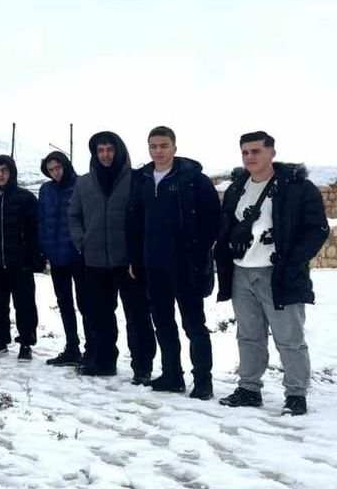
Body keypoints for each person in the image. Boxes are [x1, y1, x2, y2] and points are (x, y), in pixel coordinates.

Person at [215, 132, 328, 416]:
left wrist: (292, 261)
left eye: (255, 151)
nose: (250, 157)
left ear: (271, 153)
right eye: (245, 152)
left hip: (278, 273)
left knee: (289, 337)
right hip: (242, 272)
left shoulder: (297, 188)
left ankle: (296, 394)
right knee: (249, 335)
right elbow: (226, 223)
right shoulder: (238, 187)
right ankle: (249, 389)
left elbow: (317, 229)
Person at [132, 127, 220, 399]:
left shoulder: (194, 179)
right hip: (154, 265)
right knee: (163, 323)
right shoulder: (143, 179)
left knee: (194, 325)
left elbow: (213, 221)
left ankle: (203, 381)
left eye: (163, 145)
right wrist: (137, 259)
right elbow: (135, 223)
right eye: (153, 146)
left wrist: (197, 254)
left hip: (186, 266)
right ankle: (172, 374)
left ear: (174, 147)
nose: (158, 151)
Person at [69, 131, 156, 383]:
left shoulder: (136, 180)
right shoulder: (84, 182)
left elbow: (144, 218)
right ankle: (104, 362)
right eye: (100, 150)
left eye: (110, 149)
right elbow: (73, 215)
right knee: (100, 317)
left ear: (119, 151)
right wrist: (82, 241)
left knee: (138, 318)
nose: (105, 155)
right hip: (95, 261)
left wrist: (138, 253)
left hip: (128, 263)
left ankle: (142, 367)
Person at [0, 155, 42, 361]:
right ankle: (0, 341)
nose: (1, 174)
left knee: (24, 305)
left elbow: (35, 231)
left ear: (11, 172)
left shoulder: (26, 198)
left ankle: (26, 343)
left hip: (20, 263)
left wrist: (36, 257)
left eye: (5, 170)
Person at [38, 150, 90, 367]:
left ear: (66, 165)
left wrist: (84, 247)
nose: (55, 173)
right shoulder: (46, 190)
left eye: (58, 168)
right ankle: (72, 347)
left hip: (79, 256)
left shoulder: (82, 185)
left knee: (86, 304)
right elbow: (41, 220)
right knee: (65, 304)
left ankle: (92, 349)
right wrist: (46, 249)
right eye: (50, 170)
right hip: (57, 257)